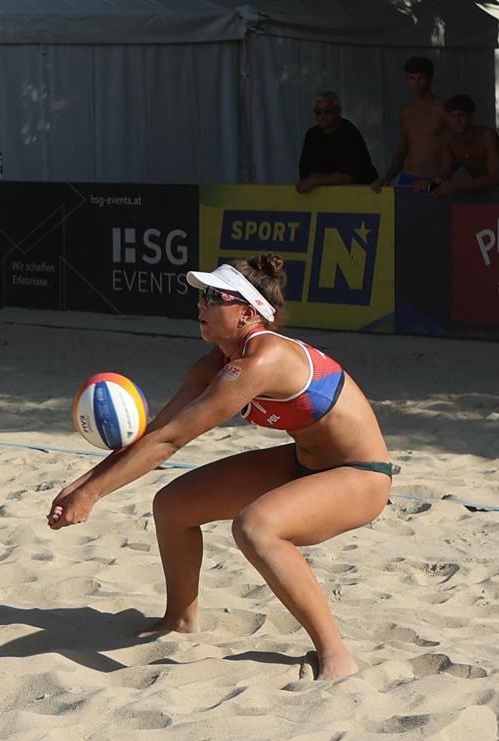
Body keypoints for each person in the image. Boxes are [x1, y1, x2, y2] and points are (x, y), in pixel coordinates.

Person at [47, 254, 392, 681]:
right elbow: (157, 432)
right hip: (305, 461)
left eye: (214, 296)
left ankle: (336, 654)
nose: (202, 303)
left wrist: (93, 494)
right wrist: (82, 485)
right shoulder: (214, 364)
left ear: (247, 313)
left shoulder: (263, 361)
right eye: (202, 295)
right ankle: (179, 619)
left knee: (256, 527)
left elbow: (172, 442)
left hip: (361, 475)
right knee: (174, 505)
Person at [371, 56, 447, 193]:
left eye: (421, 78)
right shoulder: (405, 111)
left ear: (430, 79)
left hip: (432, 180)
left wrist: (439, 178)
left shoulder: (442, 109)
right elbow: (402, 150)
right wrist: (388, 177)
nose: (416, 83)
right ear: (407, 80)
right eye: (412, 78)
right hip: (407, 178)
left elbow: (456, 149)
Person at [429, 94, 499, 198]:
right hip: (481, 195)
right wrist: (430, 183)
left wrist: (454, 187)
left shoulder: (487, 136)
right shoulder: (448, 138)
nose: (457, 121)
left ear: (472, 117)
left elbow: (495, 178)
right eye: (453, 116)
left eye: (461, 116)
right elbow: (445, 173)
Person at [296, 91, 378, 193]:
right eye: (318, 112)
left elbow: (348, 177)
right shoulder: (312, 135)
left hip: (361, 194)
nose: (322, 116)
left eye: (327, 111)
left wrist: (314, 180)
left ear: (338, 111)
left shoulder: (348, 133)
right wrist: (315, 179)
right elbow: (305, 175)